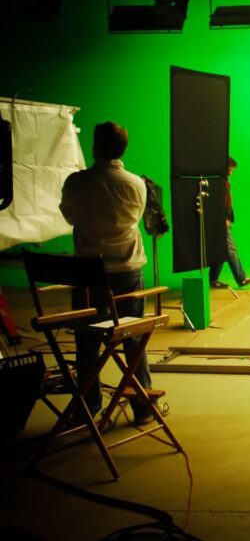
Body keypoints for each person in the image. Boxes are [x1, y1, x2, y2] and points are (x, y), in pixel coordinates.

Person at [59, 121, 164, 425]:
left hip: (87, 277)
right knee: (133, 339)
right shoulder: (136, 184)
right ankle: (142, 406)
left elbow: (69, 216)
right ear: (123, 149)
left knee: (87, 343)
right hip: (127, 273)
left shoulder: (76, 182)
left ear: (95, 147)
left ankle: (87, 407)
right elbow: (137, 217)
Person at [210, 157, 250, 289]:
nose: (230, 173)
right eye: (229, 170)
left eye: (232, 170)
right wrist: (223, 219)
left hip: (223, 220)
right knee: (230, 250)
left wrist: (228, 218)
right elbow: (217, 204)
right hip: (220, 222)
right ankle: (241, 279)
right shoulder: (218, 182)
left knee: (221, 251)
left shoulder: (223, 181)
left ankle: (213, 280)